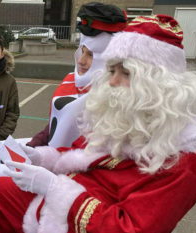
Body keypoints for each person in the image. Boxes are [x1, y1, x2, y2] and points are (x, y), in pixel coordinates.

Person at [0, 15, 196, 233]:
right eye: (112, 70)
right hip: (73, 202)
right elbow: (81, 153)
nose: (112, 82)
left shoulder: (183, 154)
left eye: (125, 73)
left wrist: (53, 188)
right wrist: (42, 157)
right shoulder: (129, 113)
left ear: (159, 84)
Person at [27, 2, 127, 148]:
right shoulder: (70, 80)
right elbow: (57, 125)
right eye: (82, 51)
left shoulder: (121, 99)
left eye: (91, 55)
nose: (81, 61)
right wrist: (36, 143)